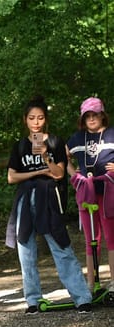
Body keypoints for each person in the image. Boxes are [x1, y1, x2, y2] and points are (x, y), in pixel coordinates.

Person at [7, 97, 92, 314]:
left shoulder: (54, 142)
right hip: (25, 200)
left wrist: (45, 156)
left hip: (49, 200)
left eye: (40, 118)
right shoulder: (19, 146)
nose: (36, 122)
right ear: (25, 120)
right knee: (26, 251)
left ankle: (82, 298)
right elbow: (11, 177)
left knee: (61, 247)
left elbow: (59, 173)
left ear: (46, 119)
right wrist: (36, 172)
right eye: (32, 118)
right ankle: (33, 300)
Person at [66, 97, 114, 291]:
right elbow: (62, 156)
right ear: (83, 118)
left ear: (102, 115)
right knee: (91, 239)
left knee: (111, 237)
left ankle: (113, 282)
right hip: (87, 192)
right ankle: (91, 284)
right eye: (88, 116)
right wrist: (74, 176)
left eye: (96, 114)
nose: (92, 119)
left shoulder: (111, 134)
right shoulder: (78, 138)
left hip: (108, 192)